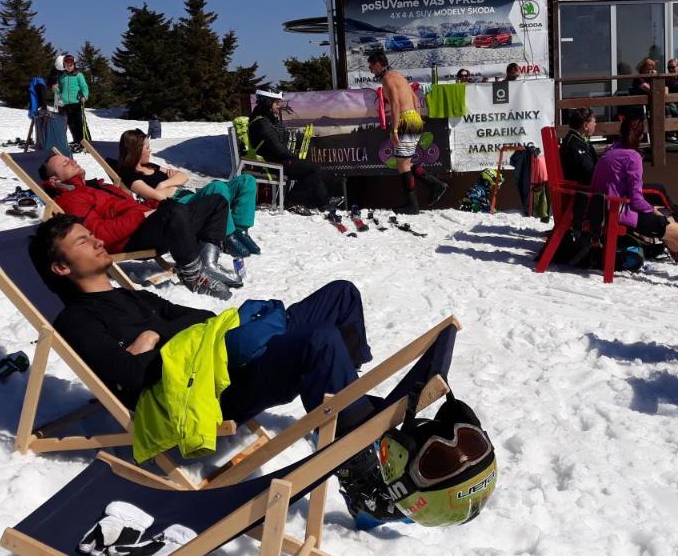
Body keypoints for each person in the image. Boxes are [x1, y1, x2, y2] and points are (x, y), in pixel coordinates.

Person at [31, 213, 399, 523]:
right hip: (212, 394)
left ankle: (341, 403)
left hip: (225, 357)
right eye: (82, 242)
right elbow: (130, 378)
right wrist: (169, 339)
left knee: (341, 294)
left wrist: (153, 337)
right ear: (62, 267)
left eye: (90, 234)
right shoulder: (77, 321)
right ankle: (360, 480)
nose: (96, 240)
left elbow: (201, 318)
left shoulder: (132, 295)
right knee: (319, 340)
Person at [39, 151, 235, 298]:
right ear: (54, 179)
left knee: (216, 201)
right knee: (174, 212)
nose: (72, 161)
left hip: (150, 224)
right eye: (65, 163)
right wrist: (145, 216)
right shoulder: (71, 199)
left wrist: (155, 205)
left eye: (70, 158)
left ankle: (208, 263)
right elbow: (99, 234)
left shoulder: (97, 185)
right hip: (130, 239)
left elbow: (131, 206)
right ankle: (193, 276)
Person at [590, 116, 678, 288]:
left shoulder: (610, 151)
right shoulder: (632, 157)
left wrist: (654, 208)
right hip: (619, 212)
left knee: (669, 219)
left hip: (604, 209)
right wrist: (653, 210)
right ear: (641, 136)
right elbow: (636, 201)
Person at [116, 129, 260, 258]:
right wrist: (171, 181)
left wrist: (164, 183)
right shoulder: (130, 175)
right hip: (178, 205)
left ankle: (240, 231)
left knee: (247, 181)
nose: (150, 150)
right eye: (146, 147)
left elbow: (183, 177)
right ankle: (227, 237)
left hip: (187, 194)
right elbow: (156, 196)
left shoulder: (152, 166)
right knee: (217, 188)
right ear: (136, 150)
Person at [368, 51, 448, 214]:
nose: (371, 70)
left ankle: (412, 205)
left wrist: (395, 128)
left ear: (377, 65)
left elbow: (396, 105)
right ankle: (436, 185)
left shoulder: (387, 79)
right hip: (415, 119)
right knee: (406, 161)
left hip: (405, 120)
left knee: (402, 163)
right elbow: (416, 99)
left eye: (371, 67)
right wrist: (417, 119)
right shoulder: (398, 76)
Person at [247, 90, 332, 210]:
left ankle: (322, 202)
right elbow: (279, 150)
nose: (278, 105)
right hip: (272, 163)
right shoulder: (262, 123)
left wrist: (297, 139)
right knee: (312, 169)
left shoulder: (267, 120)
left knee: (312, 169)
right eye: (276, 102)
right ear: (267, 103)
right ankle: (293, 201)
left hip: (274, 160)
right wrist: (295, 158)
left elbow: (282, 138)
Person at [57, 53, 90, 151]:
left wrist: (84, 96)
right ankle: (76, 141)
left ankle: (84, 143)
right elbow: (59, 90)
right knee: (70, 124)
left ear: (74, 64)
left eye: (71, 64)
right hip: (64, 104)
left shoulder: (78, 75)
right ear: (64, 65)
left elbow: (84, 87)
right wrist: (55, 89)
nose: (69, 66)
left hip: (76, 103)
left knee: (79, 124)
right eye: (67, 64)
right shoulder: (61, 76)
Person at [559, 107, 598, 185]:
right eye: (594, 122)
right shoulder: (575, 144)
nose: (595, 124)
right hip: (580, 191)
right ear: (585, 126)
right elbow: (589, 171)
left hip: (579, 188)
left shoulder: (573, 139)